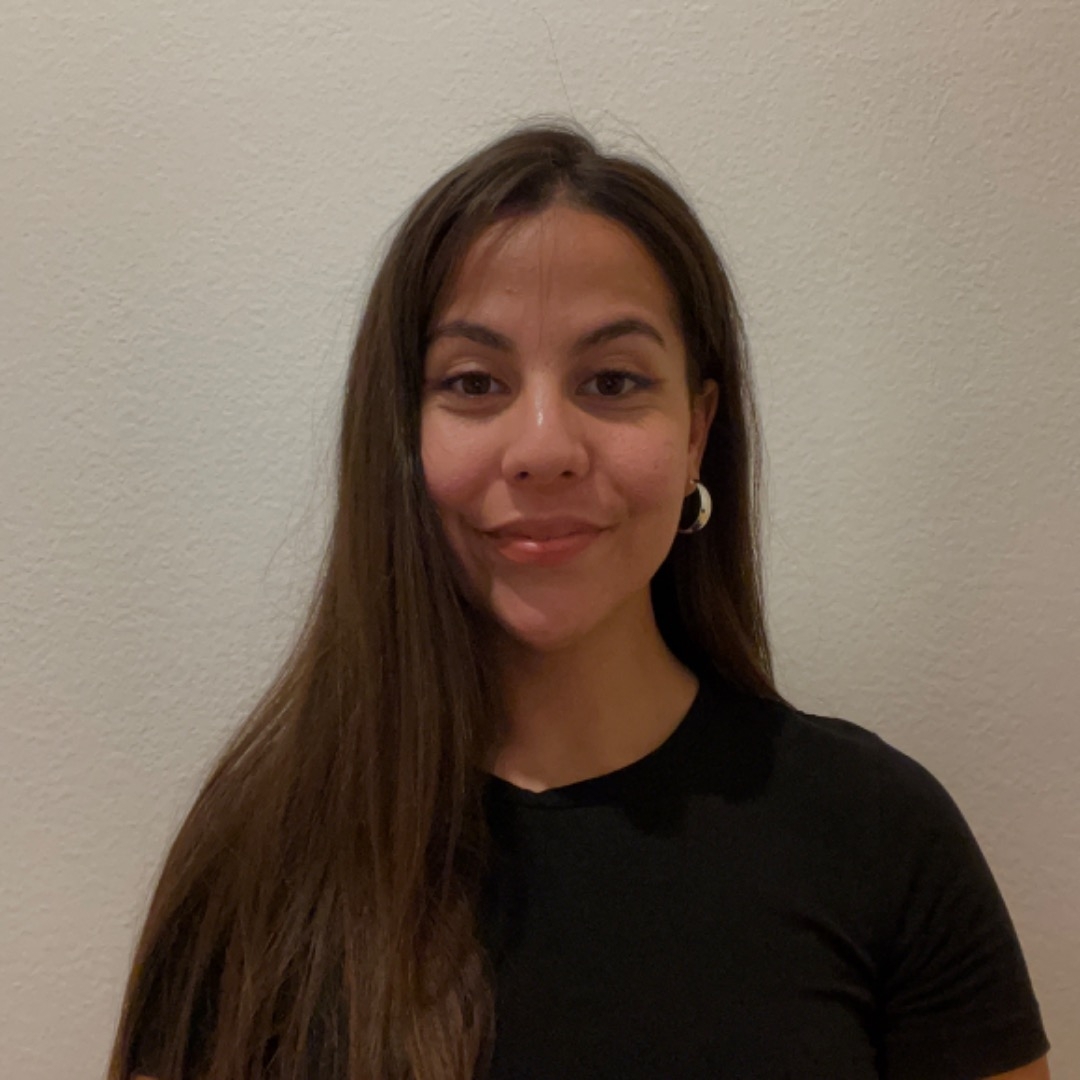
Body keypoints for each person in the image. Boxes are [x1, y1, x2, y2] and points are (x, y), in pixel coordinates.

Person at [109, 120, 1052, 1080]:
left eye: (612, 380)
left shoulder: (880, 836)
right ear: (402, 436)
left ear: (697, 431)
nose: (543, 447)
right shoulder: (257, 854)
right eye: (474, 382)